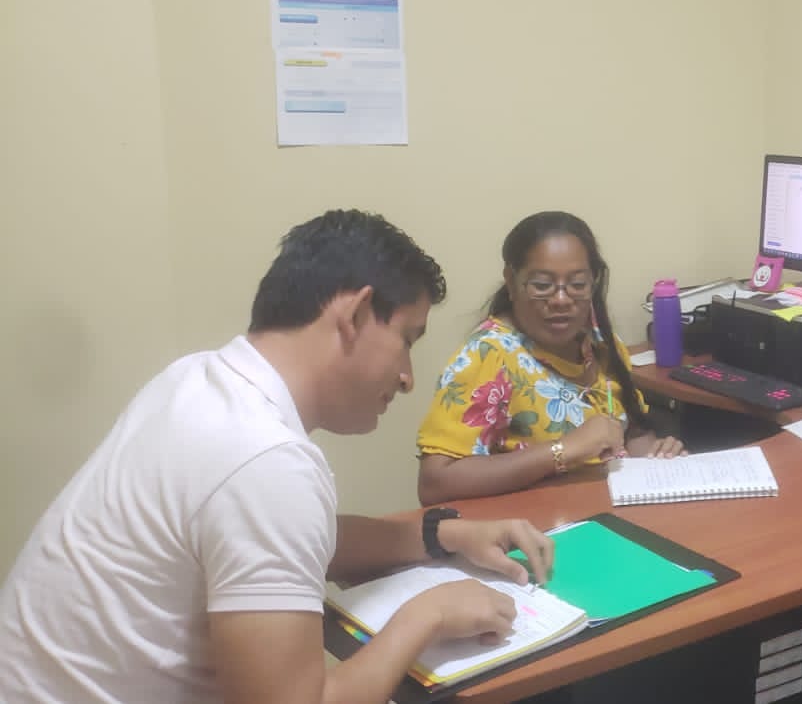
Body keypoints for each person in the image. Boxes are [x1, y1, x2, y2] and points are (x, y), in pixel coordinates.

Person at [0, 209, 557, 704]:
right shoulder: (266, 461)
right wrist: (428, 614)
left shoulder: (196, 380)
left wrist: (442, 534)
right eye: (407, 340)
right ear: (356, 313)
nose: (408, 377)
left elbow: (279, 543)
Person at [416, 211, 684, 505]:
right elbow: (435, 482)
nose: (561, 300)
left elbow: (631, 432)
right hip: (535, 523)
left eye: (577, 285)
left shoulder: (602, 344)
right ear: (511, 281)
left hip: (613, 511)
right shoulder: (488, 354)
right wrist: (563, 450)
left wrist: (656, 456)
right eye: (542, 286)